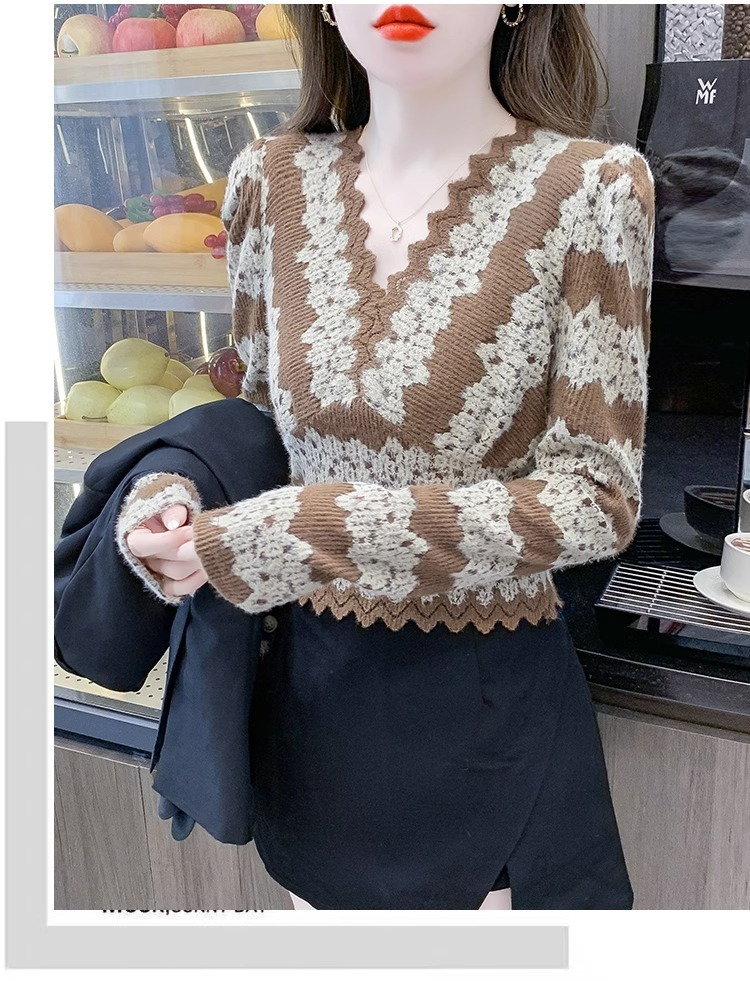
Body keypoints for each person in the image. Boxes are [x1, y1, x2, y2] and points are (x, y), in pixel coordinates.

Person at [115, 3, 655, 910]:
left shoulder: (593, 189)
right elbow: (259, 421)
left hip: (482, 715)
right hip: (309, 703)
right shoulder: (268, 181)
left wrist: (309, 530)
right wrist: (177, 493)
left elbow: (598, 499)